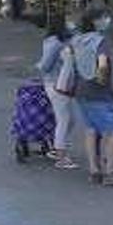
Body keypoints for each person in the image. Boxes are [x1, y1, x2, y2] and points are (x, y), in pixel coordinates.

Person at [72, 7, 113, 186]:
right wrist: (101, 79)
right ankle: (111, 172)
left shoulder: (77, 40)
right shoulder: (100, 41)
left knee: (90, 129)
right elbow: (103, 64)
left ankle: (94, 170)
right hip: (100, 93)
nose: (107, 20)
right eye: (104, 17)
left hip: (81, 90)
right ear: (96, 21)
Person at [35, 18, 80, 170]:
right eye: (68, 21)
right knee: (65, 119)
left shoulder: (63, 40)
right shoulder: (55, 42)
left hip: (63, 84)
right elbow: (46, 65)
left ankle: (56, 148)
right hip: (56, 84)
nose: (72, 24)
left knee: (70, 119)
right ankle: (61, 155)